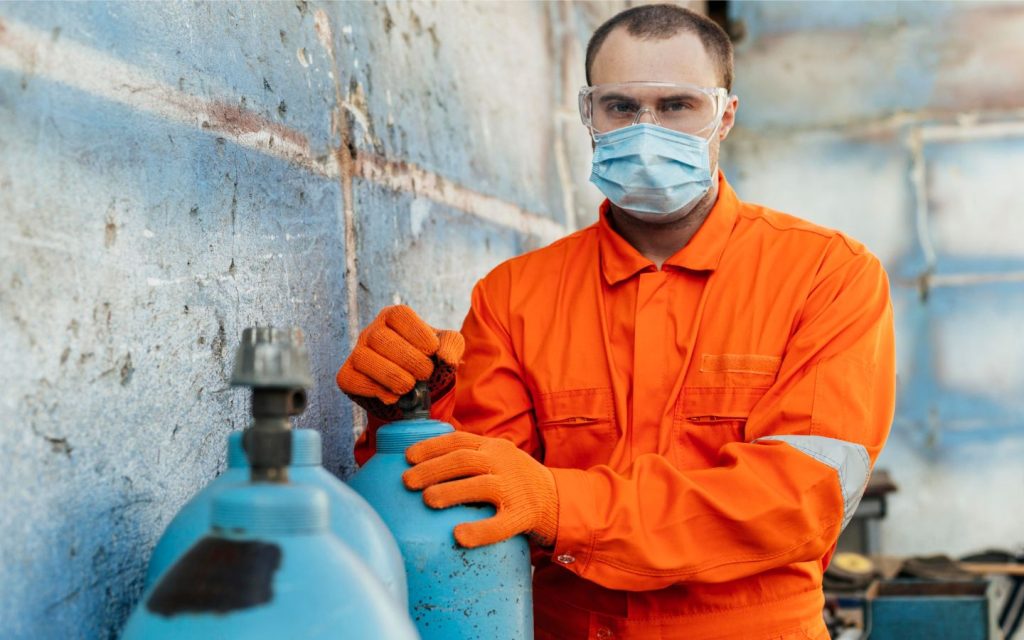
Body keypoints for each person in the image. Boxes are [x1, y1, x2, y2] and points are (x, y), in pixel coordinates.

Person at [337, 4, 895, 639]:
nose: (646, 129)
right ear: (589, 114)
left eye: (678, 105)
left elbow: (799, 498)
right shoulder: (514, 296)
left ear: (725, 115)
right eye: (620, 106)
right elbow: (471, 499)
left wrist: (562, 506)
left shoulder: (827, 275)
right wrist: (410, 414)